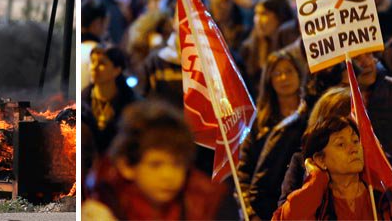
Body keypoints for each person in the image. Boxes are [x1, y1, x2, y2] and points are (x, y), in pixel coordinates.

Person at [83, 101, 229, 220]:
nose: (168, 175)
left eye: (177, 164)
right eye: (155, 165)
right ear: (127, 166)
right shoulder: (102, 209)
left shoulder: (205, 203)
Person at [273, 116, 392, 220]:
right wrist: (316, 180)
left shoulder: (383, 195)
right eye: (341, 144)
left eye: (355, 141)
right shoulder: (318, 203)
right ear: (320, 159)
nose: (353, 149)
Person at [237, 51, 306, 219]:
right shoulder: (259, 122)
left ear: (299, 74)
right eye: (277, 73)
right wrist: (251, 213)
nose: (284, 78)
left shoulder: (311, 116)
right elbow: (244, 172)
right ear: (269, 80)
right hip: (267, 210)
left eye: (289, 71)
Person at [81, 45, 136, 154]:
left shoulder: (131, 104)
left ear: (117, 70)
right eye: (92, 62)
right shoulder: (82, 102)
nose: (94, 68)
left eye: (102, 63)